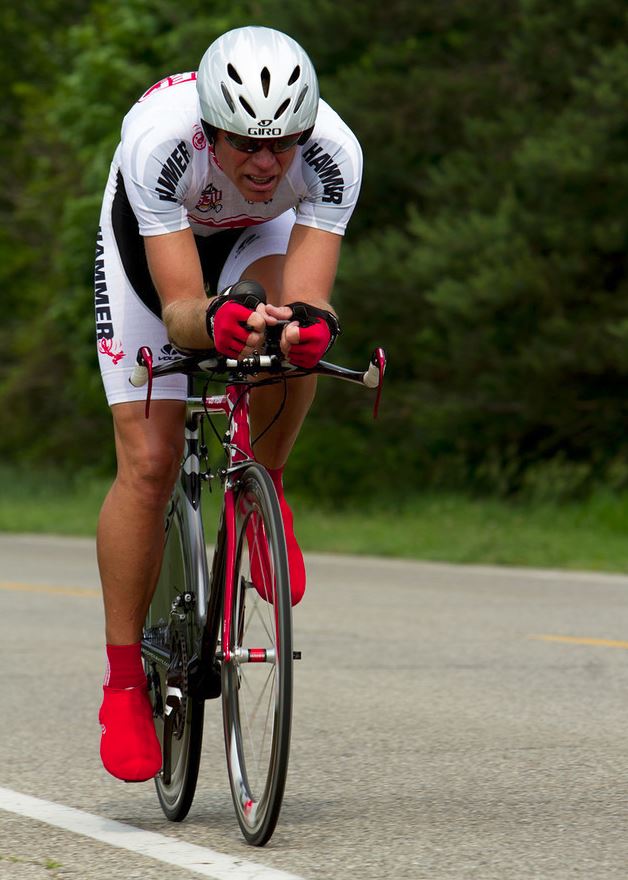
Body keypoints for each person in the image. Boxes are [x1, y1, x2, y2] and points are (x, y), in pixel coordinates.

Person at [94, 25, 363, 782]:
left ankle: (263, 481)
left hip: (256, 237)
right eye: (245, 144)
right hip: (158, 243)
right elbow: (181, 309)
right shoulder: (160, 143)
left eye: (282, 144)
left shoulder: (335, 154)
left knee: (293, 331)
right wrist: (214, 319)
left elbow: (311, 295)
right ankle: (123, 685)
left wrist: (309, 327)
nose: (266, 162)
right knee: (150, 462)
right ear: (211, 128)